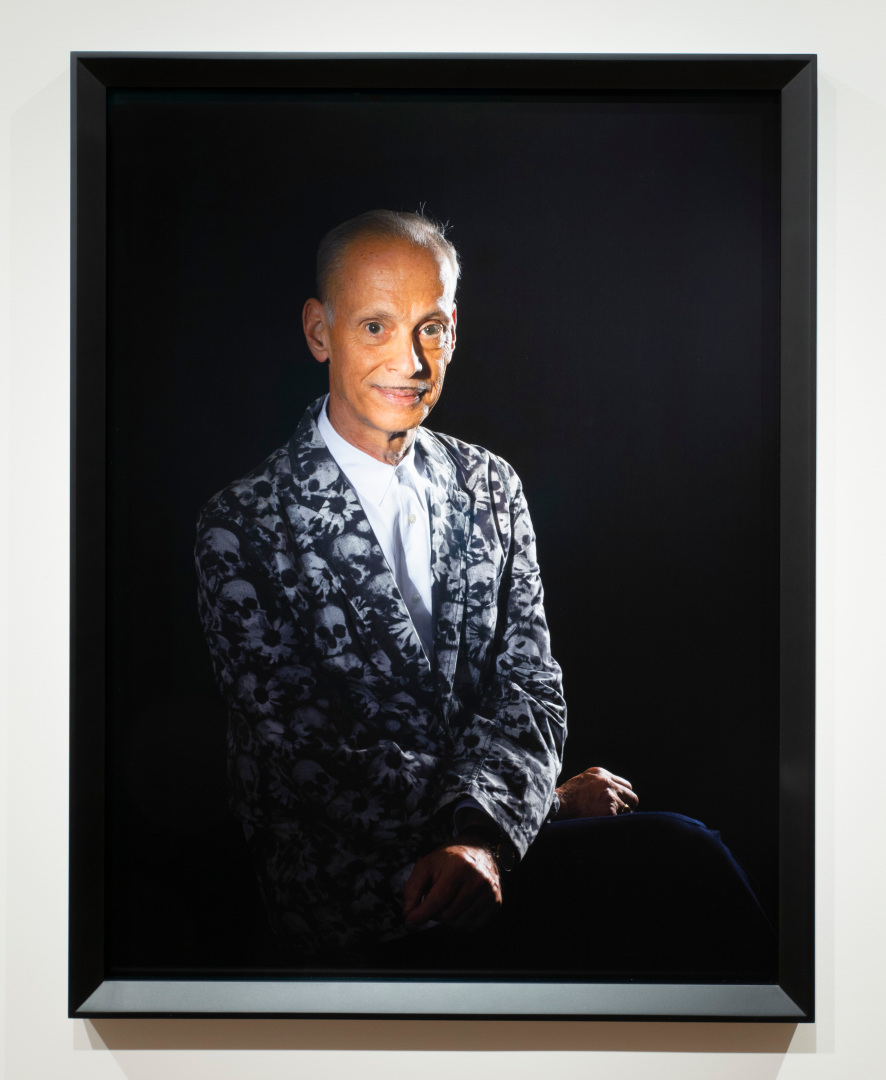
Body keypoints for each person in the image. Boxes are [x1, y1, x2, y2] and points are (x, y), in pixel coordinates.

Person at [195, 209, 774, 976]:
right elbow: (306, 758)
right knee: (669, 872)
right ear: (319, 332)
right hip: (356, 889)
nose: (409, 360)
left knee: (689, 867)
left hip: (493, 849)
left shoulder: (490, 484)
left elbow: (530, 689)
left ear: (454, 328)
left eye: (429, 327)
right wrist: (543, 806)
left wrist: (483, 832)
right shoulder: (241, 523)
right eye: (375, 327)